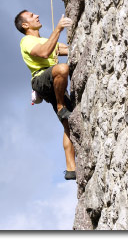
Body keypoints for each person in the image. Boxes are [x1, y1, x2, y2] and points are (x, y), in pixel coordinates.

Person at [15, 10, 76, 180]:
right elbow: (43, 53)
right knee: (63, 69)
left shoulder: (46, 41)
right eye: (32, 16)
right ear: (25, 25)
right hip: (41, 79)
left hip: (54, 81)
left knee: (69, 124)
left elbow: (67, 49)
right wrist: (58, 29)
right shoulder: (26, 41)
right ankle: (60, 105)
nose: (37, 16)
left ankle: (71, 168)